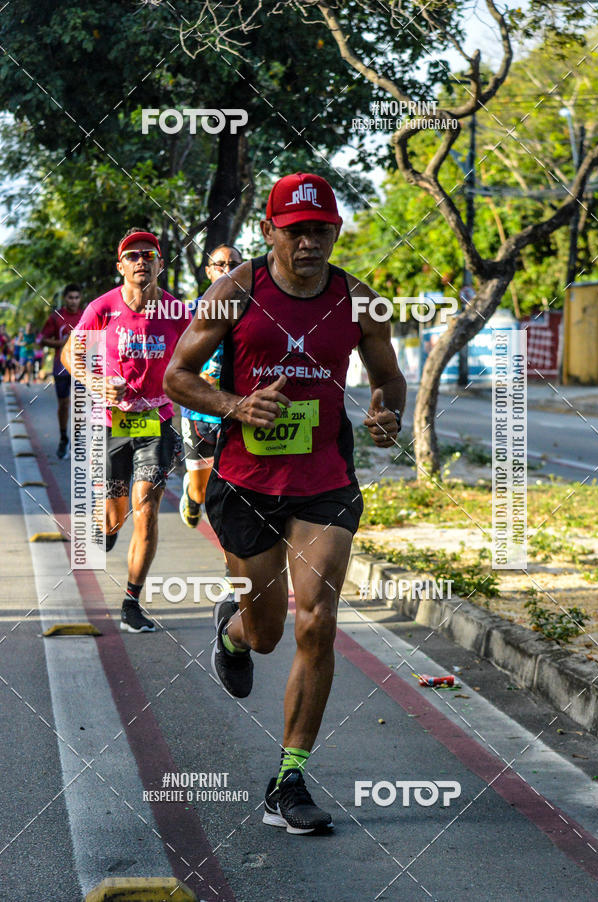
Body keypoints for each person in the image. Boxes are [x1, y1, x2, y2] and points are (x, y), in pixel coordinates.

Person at [164, 173, 406, 834]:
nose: (308, 241)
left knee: (317, 620)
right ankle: (234, 632)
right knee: (268, 632)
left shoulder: (360, 301)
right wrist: (236, 405)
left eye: (320, 229)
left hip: (324, 480)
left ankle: (289, 779)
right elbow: (176, 376)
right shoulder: (234, 293)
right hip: (245, 484)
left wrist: (388, 410)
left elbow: (389, 377)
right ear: (269, 230)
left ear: (335, 231)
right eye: (294, 229)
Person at [61, 229, 190, 633]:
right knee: (112, 518)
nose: (140, 261)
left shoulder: (178, 312)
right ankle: (105, 529)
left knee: (146, 508)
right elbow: (70, 353)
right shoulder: (103, 308)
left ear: (160, 264)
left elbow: (200, 357)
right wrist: (94, 382)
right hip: (110, 420)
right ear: (121, 267)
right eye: (131, 256)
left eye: (148, 255)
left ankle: (132, 601)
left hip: (158, 418)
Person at [179, 244, 243, 528]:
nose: (227, 270)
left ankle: (234, 561)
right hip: (199, 414)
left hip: (241, 413)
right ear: (208, 271)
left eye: (234, 264)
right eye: (220, 264)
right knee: (202, 491)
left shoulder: (255, 311)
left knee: (237, 492)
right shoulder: (189, 311)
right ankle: (192, 497)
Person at [40, 284, 84, 458]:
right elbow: (43, 340)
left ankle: (77, 439)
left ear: (80, 298)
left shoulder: (85, 315)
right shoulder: (56, 317)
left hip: (81, 368)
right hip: (61, 368)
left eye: (76, 297)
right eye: (70, 297)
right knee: (64, 404)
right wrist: (61, 344)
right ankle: (63, 437)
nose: (73, 301)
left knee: (80, 405)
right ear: (65, 298)